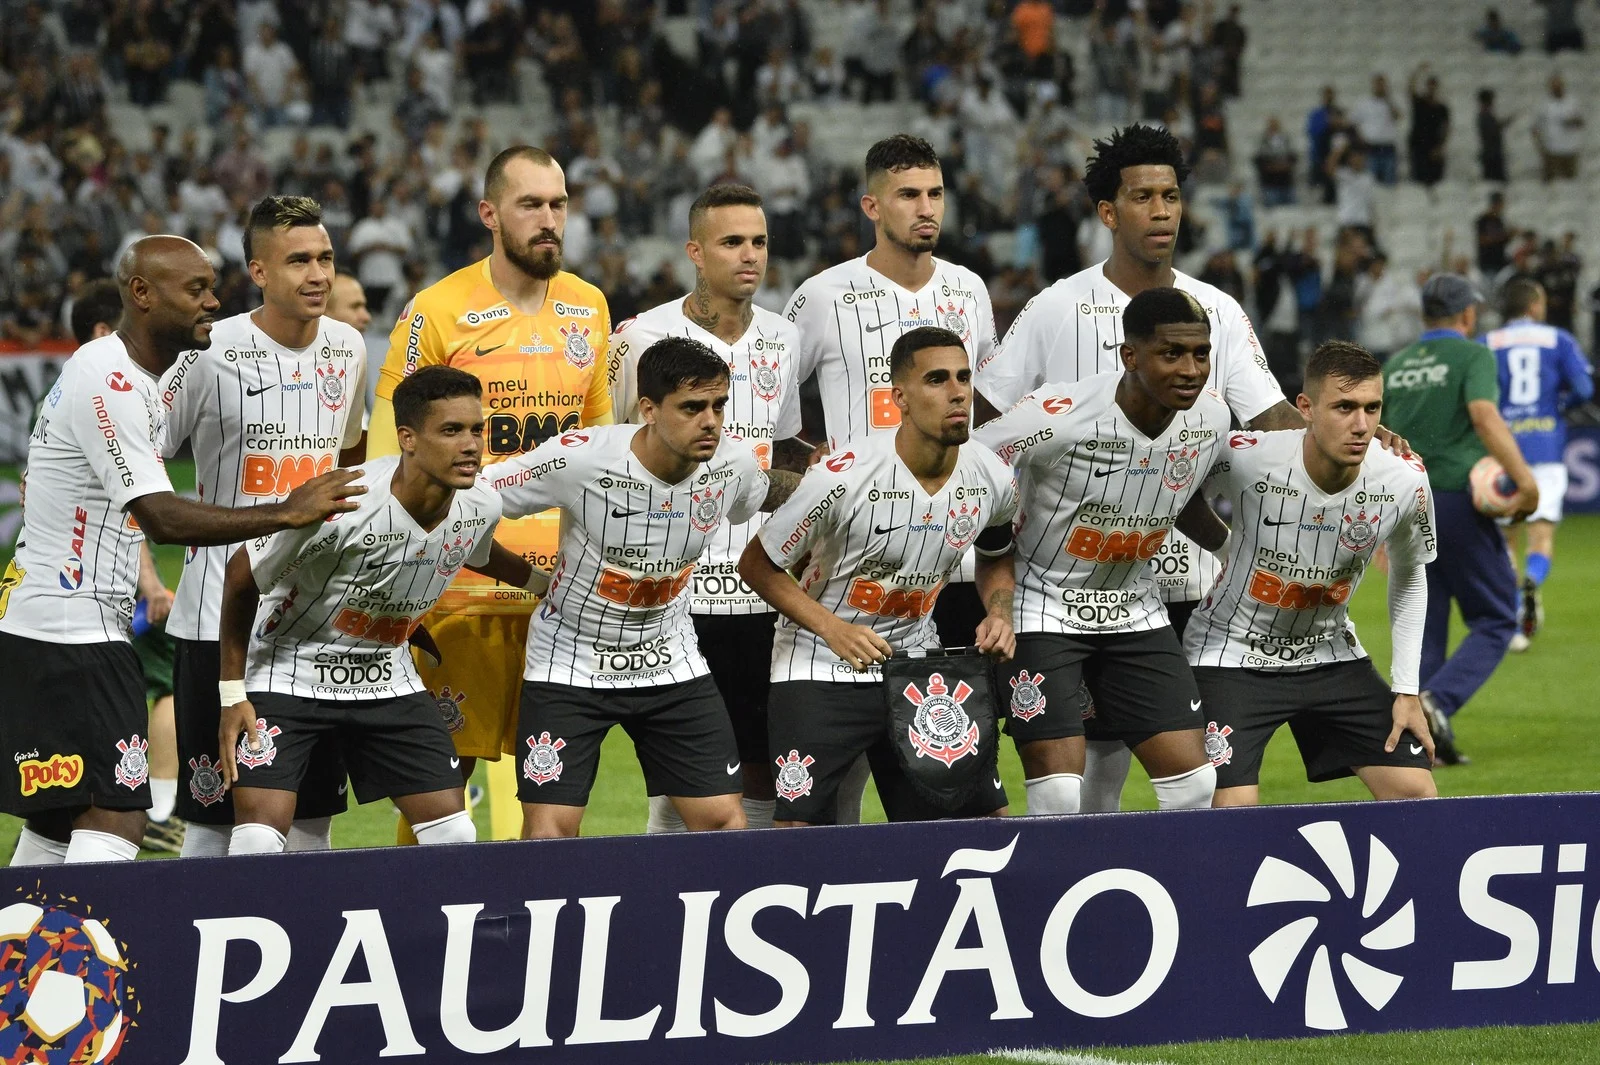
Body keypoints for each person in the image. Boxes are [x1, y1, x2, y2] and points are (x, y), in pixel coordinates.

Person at [1, 236, 360, 866]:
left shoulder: (144, 380)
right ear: (141, 293)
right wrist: (287, 509)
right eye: (195, 289)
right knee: (117, 818)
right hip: (68, 628)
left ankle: (24, 957)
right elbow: (160, 516)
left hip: (60, 624)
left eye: (213, 287)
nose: (213, 302)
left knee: (58, 823)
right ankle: (78, 961)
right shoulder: (106, 376)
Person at [974, 123, 1297, 814]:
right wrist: (995, 537)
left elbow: (1271, 424)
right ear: (1109, 212)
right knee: (1084, 763)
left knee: (1163, 761)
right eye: (1144, 196)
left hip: (1165, 570)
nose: (1162, 210)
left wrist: (1347, 438)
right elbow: (986, 419)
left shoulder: (1217, 310)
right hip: (1055, 572)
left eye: (1172, 196)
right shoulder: (1058, 307)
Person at [369, 146, 612, 844]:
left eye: (558, 204)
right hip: (461, 590)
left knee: (553, 791)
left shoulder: (588, 307)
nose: (548, 220)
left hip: (560, 595)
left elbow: (596, 450)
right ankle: (423, 929)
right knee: (441, 796)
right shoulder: (437, 309)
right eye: (530, 204)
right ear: (489, 213)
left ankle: (527, 937)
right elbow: (395, 453)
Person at [485, 338, 800, 839]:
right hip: (571, 659)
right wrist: (528, 578)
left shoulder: (732, 462)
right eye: (692, 408)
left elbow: (762, 492)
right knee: (547, 837)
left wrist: (840, 480)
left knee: (724, 823)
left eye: (719, 405)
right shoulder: (582, 458)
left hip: (668, 657)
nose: (711, 420)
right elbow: (472, 501)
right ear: (648, 410)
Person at [216, 367, 528, 853]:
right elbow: (240, 578)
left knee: (454, 833)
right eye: (451, 431)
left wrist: (547, 583)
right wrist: (232, 694)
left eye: (476, 430)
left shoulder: (481, 501)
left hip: (386, 677)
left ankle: (421, 928)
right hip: (288, 673)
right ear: (408, 438)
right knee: (258, 841)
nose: (470, 445)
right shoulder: (342, 503)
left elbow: (479, 550)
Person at [784, 133, 999, 816]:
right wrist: (818, 492)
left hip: (953, 563)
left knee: (950, 770)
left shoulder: (968, 290)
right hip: (851, 568)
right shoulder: (822, 296)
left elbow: (983, 409)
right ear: (872, 204)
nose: (926, 207)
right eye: (909, 194)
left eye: (934, 193)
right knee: (838, 779)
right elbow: (783, 424)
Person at [159, 196, 370, 859]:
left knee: (311, 821)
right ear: (256, 270)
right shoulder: (208, 350)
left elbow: (352, 463)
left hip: (314, 620)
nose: (317, 274)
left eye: (326, 258)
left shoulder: (349, 346)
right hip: (215, 614)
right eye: (298, 260)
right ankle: (196, 956)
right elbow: (143, 460)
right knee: (213, 818)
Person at [739, 327, 1019, 825]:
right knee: (795, 831)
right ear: (900, 399)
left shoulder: (992, 476)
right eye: (936, 380)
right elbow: (757, 565)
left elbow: (996, 554)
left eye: (963, 378)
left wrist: (999, 612)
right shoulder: (843, 476)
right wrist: (834, 628)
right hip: (819, 664)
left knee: (985, 822)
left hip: (915, 662)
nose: (958, 393)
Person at [972, 287, 1234, 816]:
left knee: (1194, 787)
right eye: (1171, 354)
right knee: (1061, 793)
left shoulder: (1211, 419)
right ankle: (1057, 892)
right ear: (1130, 356)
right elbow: (975, 461)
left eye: (1200, 353)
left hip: (1137, 608)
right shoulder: (1058, 416)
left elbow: (1178, 494)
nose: (1190, 369)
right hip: (1042, 605)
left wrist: (1233, 551)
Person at [609, 185, 810, 834]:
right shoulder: (643, 338)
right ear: (695, 251)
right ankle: (667, 899)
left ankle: (743, 888)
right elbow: (616, 457)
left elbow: (784, 452)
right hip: (678, 591)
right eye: (731, 243)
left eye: (758, 242)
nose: (749, 256)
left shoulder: (784, 337)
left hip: (761, 589)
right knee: (685, 768)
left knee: (762, 762)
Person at [1188, 341, 1438, 805]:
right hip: (1230, 655)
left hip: (1329, 655)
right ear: (1305, 407)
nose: (1361, 425)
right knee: (1231, 808)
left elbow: (1410, 575)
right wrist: (1227, 547)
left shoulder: (1403, 478)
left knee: (1415, 792)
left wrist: (1406, 689)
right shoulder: (1247, 457)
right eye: (1344, 407)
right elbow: (1175, 485)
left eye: (1371, 407)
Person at [1381, 274, 1538, 765]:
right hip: (1454, 499)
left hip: (1403, 504)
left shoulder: (1398, 364)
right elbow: (1485, 416)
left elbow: (1379, 437)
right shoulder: (1474, 356)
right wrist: (1524, 481)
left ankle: (1419, 743)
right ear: (1467, 314)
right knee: (1497, 617)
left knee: (1425, 626)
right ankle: (1436, 704)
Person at [67, 278, 186, 854]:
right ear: (101, 332)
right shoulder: (109, 392)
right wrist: (154, 585)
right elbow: (137, 510)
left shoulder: (65, 395)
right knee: (165, 684)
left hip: (65, 599)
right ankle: (161, 810)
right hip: (99, 600)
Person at [1485, 279, 1594, 652]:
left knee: (1506, 540)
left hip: (1503, 451)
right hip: (1546, 447)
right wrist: (1556, 405)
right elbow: (1584, 388)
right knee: (1541, 535)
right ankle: (1532, 581)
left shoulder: (1489, 342)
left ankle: (1515, 616)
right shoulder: (1558, 339)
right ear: (1534, 305)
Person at [1350, 74, 1401, 185]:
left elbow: (1398, 116)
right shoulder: (1364, 103)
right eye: (1378, 84)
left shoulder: (1391, 103)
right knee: (1371, 182)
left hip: (1388, 148)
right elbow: (1354, 123)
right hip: (1371, 148)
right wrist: (1361, 138)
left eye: (1382, 84)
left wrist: (1388, 100)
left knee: (1389, 183)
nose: (1380, 87)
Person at [1535, 75, 1582, 182]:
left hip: (1570, 148)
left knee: (1571, 183)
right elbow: (1536, 127)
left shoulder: (1572, 101)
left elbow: (1581, 122)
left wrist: (1572, 121)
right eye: (1553, 86)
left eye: (1558, 86)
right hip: (1551, 149)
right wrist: (1540, 147)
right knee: (1550, 182)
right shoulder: (1544, 104)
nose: (1556, 88)